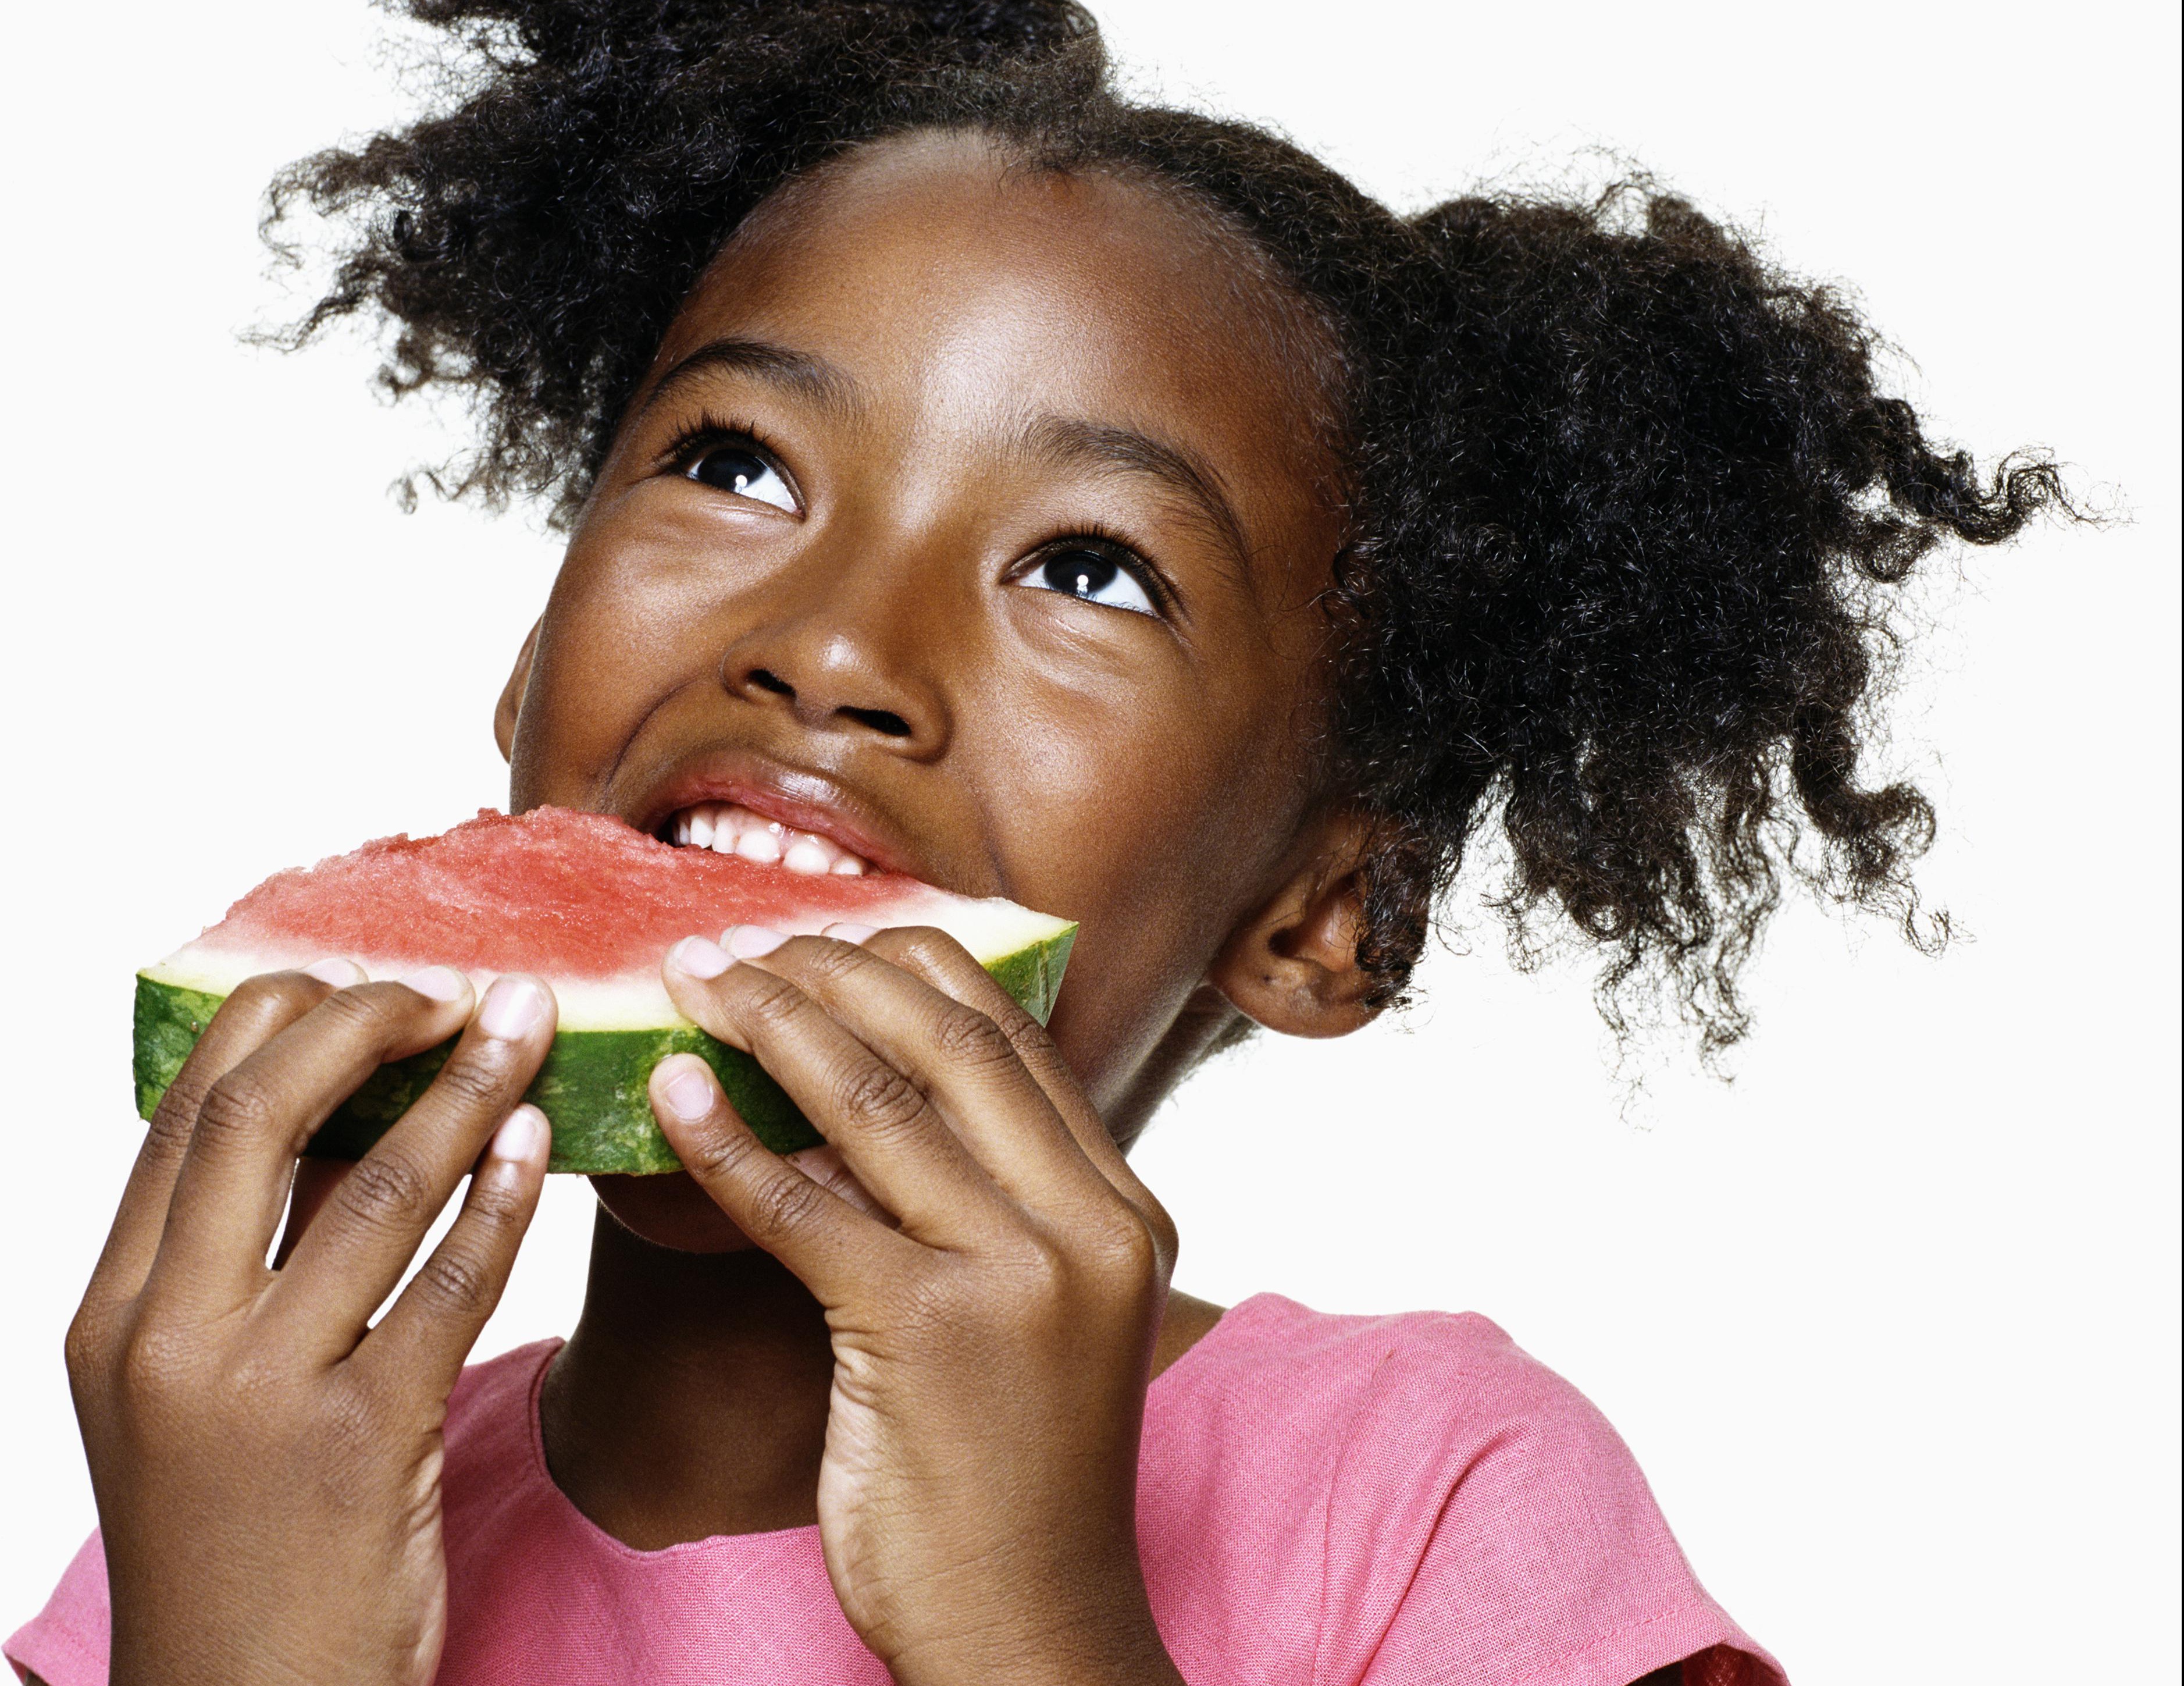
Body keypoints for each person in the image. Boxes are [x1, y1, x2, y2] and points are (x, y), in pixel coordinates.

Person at [7, 3, 2065, 1683]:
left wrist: (1028, 1628)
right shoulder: (246, 1506)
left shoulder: (1434, 1501)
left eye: (1089, 569)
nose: (830, 646)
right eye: (735, 460)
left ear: (1324, 909)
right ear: (532, 654)